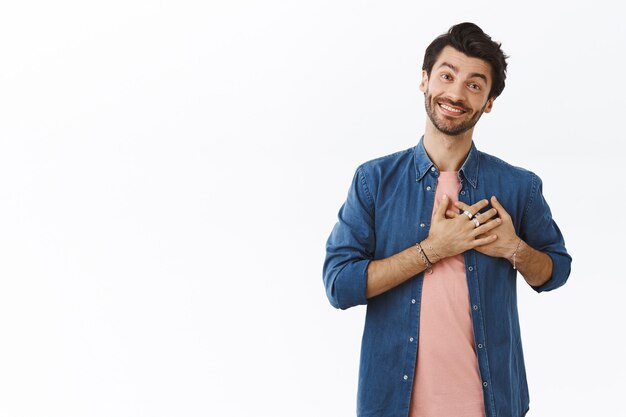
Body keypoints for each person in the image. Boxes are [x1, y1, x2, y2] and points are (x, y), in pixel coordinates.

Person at [322, 22, 572, 417]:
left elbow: (555, 272)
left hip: (491, 405)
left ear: (488, 101)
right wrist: (434, 249)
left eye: (474, 85)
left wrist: (514, 248)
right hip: (392, 405)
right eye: (447, 76)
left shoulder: (518, 186)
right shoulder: (374, 181)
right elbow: (339, 286)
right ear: (424, 81)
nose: (456, 93)